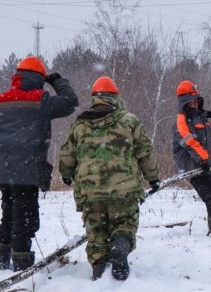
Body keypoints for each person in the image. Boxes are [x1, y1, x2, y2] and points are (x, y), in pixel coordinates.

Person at [59, 76, 159, 281]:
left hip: (89, 192)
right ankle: (120, 248)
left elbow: (68, 154)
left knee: (96, 235)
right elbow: (144, 152)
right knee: (124, 224)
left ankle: (99, 273)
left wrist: (67, 174)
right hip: (124, 189)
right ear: (115, 97)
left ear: (94, 98)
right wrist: (153, 178)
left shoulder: (80, 124)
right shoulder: (129, 120)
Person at [0, 56, 78, 272]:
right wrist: (57, 81)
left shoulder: (1, 100)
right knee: (26, 219)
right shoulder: (40, 99)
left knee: (8, 214)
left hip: (3, 168)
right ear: (40, 77)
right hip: (27, 169)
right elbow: (70, 102)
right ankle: (22, 267)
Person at [172, 80, 211, 242]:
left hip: (205, 164)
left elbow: (210, 141)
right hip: (192, 166)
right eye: (191, 100)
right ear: (184, 101)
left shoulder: (201, 118)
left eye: (196, 99)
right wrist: (205, 159)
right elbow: (190, 143)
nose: (195, 102)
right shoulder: (182, 120)